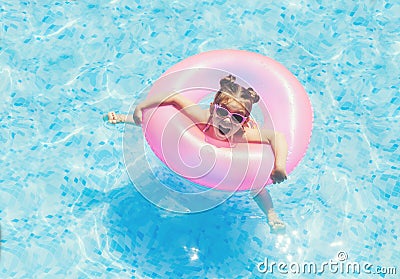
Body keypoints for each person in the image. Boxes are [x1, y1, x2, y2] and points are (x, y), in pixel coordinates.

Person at [105, 75, 288, 233]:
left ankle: (271, 214)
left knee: (255, 184)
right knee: (165, 128)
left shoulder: (243, 135)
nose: (227, 120)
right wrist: (139, 108)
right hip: (205, 148)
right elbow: (172, 100)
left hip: (235, 157)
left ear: (244, 121)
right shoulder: (203, 119)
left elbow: (276, 137)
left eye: (237, 117)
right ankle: (121, 118)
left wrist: (279, 166)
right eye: (222, 112)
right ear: (212, 108)